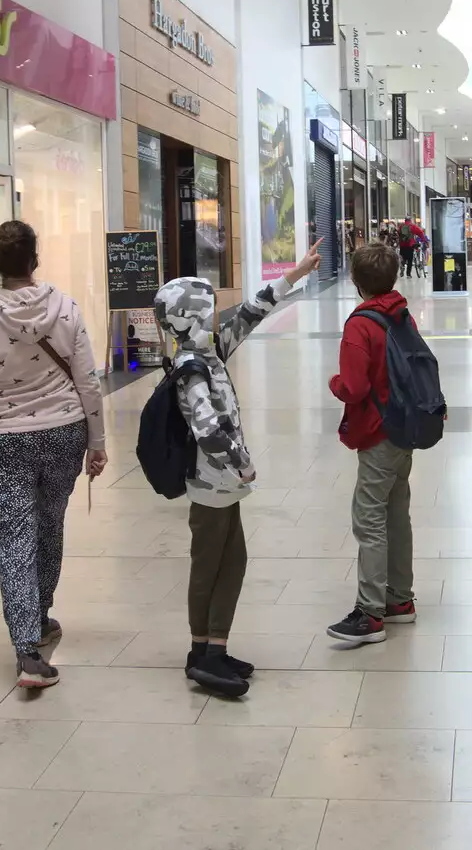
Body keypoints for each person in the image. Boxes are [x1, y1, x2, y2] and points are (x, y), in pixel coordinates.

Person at [154, 243, 323, 697]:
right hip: (213, 486)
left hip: (223, 486)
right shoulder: (192, 368)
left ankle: (214, 647)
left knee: (230, 562)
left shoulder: (207, 351)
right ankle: (203, 655)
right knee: (212, 564)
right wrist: (242, 464)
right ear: (191, 318)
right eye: (208, 311)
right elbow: (207, 429)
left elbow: (251, 313)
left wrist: (295, 274)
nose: (217, 317)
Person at [0, 221, 107, 690]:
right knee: (49, 524)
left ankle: (26, 647)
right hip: (63, 431)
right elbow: (87, 382)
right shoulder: (65, 309)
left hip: (4, 437)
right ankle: (39, 616)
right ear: (33, 259)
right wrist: (97, 442)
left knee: (15, 536)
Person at [326, 243, 416, 644]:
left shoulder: (360, 324)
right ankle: (399, 599)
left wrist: (335, 384)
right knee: (397, 513)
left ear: (355, 281)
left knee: (369, 517)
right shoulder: (400, 312)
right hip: (404, 428)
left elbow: (355, 386)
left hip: (377, 431)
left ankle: (370, 612)